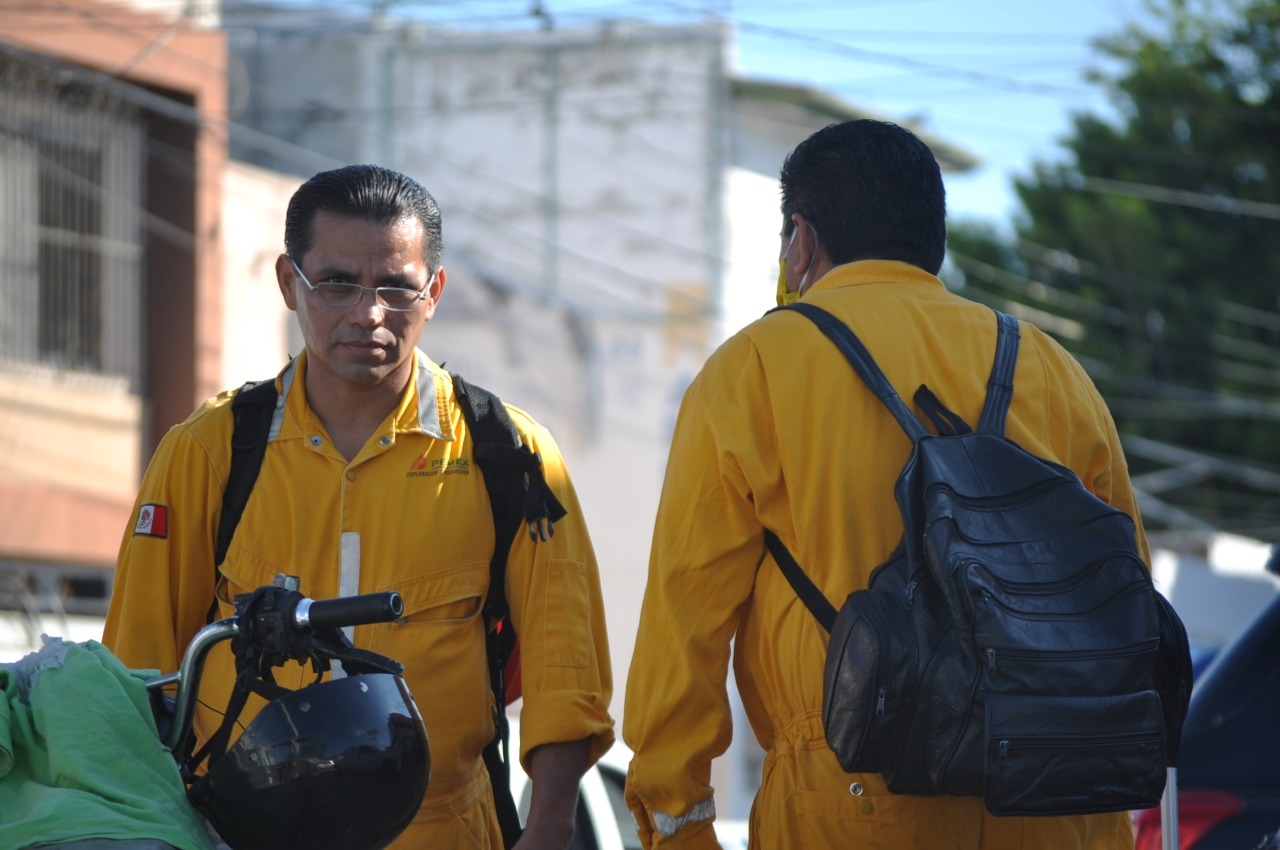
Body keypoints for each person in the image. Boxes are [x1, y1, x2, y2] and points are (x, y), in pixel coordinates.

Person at [622, 120, 1148, 849]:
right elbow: (1127, 603)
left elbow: (685, 630)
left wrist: (677, 826)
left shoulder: (755, 371)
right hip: (1054, 802)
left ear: (801, 239)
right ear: (932, 240)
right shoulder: (1054, 371)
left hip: (850, 802)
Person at [104, 164, 615, 850]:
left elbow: (566, 667)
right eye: (338, 283)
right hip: (245, 832)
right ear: (290, 283)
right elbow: (136, 674)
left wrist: (551, 822)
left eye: (396, 289)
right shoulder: (210, 450)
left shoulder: (511, 453)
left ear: (433, 292)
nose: (368, 314)